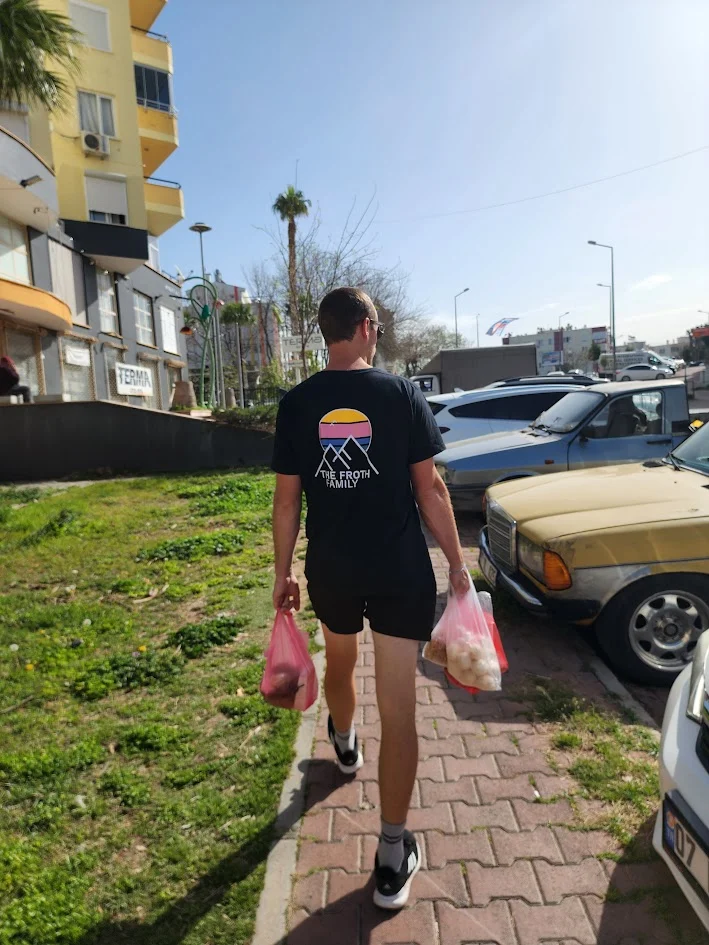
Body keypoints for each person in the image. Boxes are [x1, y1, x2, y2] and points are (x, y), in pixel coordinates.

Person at [271, 287, 469, 910]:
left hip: (332, 567)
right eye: (376, 324)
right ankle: (391, 852)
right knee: (400, 703)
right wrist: (460, 567)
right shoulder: (401, 394)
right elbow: (430, 488)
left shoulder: (297, 404)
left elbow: (286, 501)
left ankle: (345, 742)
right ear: (362, 329)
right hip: (398, 569)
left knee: (338, 661)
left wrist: (282, 575)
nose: (377, 333)